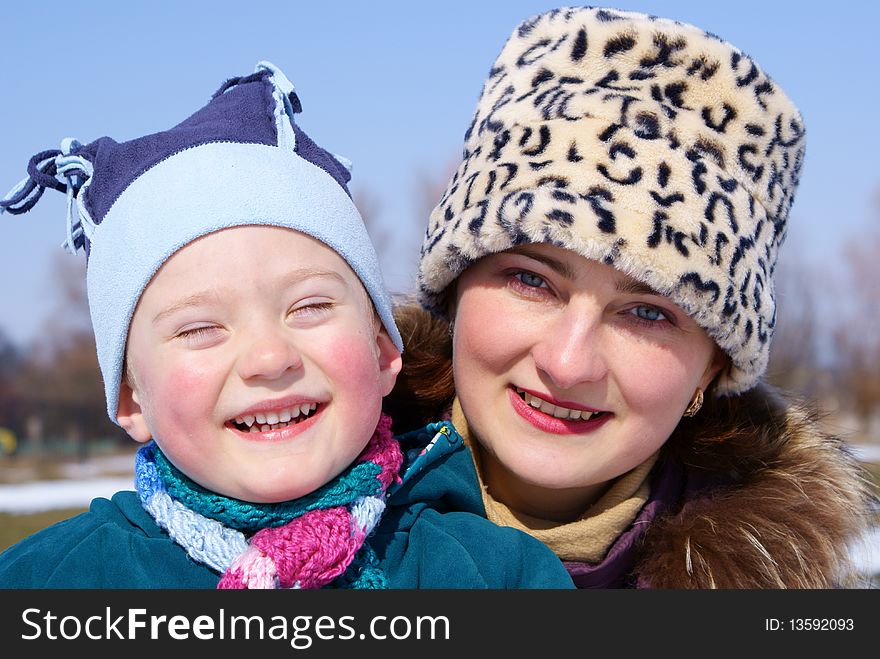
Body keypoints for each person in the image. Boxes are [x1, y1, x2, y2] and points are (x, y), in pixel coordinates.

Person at [0, 61, 574, 589]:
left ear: (381, 351)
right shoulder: (51, 582)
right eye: (200, 329)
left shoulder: (498, 576)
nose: (271, 358)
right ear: (130, 398)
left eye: (310, 308)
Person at [385, 7, 877, 588]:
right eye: (532, 280)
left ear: (711, 368)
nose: (567, 364)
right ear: (456, 286)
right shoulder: (277, 529)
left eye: (647, 313)